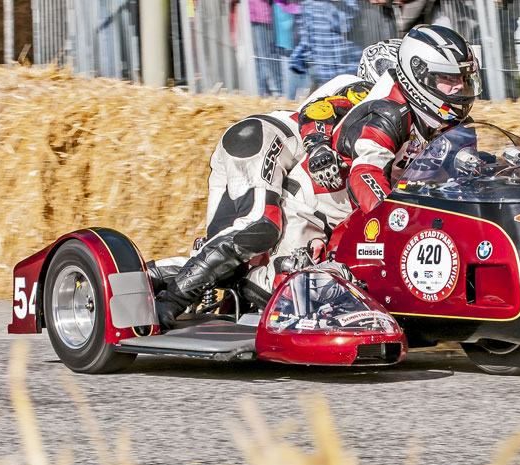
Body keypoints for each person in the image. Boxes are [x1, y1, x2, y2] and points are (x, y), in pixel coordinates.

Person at [151, 41, 402, 328]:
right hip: (272, 138)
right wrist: (319, 147)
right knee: (260, 226)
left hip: (295, 168)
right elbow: (317, 111)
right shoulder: (361, 90)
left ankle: (158, 275)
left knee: (280, 268)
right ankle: (171, 300)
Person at [331, 24, 481, 214]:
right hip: (331, 209)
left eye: (464, 77)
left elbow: (463, 178)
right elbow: (366, 174)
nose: (460, 86)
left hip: (396, 204)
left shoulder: (457, 124)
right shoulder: (388, 116)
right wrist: (390, 218)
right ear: (421, 76)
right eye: (449, 77)